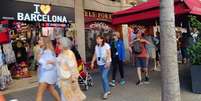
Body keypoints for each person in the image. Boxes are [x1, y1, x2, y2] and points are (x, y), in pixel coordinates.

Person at [57, 37, 86, 101]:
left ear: (64, 44)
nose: (57, 44)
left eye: (59, 43)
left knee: (70, 97)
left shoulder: (69, 53)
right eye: (57, 43)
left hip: (69, 79)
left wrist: (73, 79)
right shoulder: (61, 53)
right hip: (63, 80)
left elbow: (73, 67)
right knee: (65, 97)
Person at [36, 36, 60, 101]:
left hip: (47, 74)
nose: (38, 41)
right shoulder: (43, 50)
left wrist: (39, 59)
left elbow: (49, 65)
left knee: (39, 94)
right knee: (51, 89)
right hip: (46, 74)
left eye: (40, 40)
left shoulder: (48, 51)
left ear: (45, 42)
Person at [91, 35, 112, 99]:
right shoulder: (96, 46)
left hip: (106, 63)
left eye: (98, 39)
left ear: (102, 39)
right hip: (100, 64)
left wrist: (108, 62)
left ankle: (105, 92)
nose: (97, 40)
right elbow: (95, 54)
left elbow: (109, 54)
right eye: (96, 39)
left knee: (103, 76)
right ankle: (108, 90)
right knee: (103, 78)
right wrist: (92, 62)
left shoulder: (106, 45)